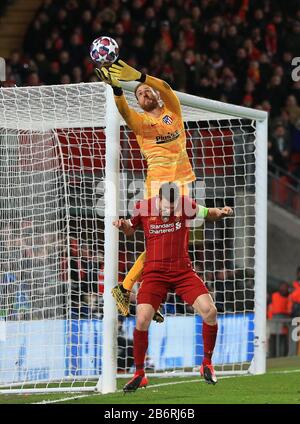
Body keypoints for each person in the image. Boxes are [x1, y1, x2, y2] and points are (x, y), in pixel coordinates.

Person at [95, 60, 196, 321]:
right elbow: (123, 110)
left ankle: (139, 291)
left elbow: (164, 86)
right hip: (158, 188)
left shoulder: (172, 112)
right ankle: (128, 288)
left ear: (156, 96)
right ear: (138, 102)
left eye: (146, 91)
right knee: (161, 241)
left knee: (174, 244)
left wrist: (140, 77)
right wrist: (118, 89)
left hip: (183, 182)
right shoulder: (140, 124)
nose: (144, 93)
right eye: (139, 93)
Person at [113, 182, 233, 391]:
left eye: (173, 206)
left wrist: (221, 212)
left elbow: (207, 213)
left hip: (182, 271)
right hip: (154, 273)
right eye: (166, 206)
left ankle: (207, 362)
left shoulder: (185, 205)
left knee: (210, 311)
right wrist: (124, 227)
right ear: (158, 200)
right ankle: (140, 374)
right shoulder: (143, 207)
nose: (169, 210)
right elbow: (130, 231)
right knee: (141, 319)